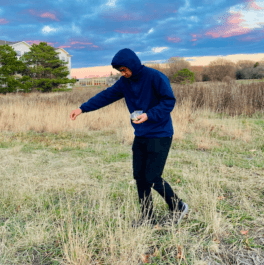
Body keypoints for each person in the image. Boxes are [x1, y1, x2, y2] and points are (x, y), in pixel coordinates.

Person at [70, 48, 188, 227]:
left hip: (160, 133)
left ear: (133, 64)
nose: (123, 73)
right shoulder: (124, 82)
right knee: (139, 177)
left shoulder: (155, 77)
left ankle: (178, 207)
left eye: (124, 69)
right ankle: (148, 217)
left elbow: (168, 101)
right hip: (141, 134)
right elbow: (106, 96)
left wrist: (149, 115)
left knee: (152, 177)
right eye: (120, 71)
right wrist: (82, 108)